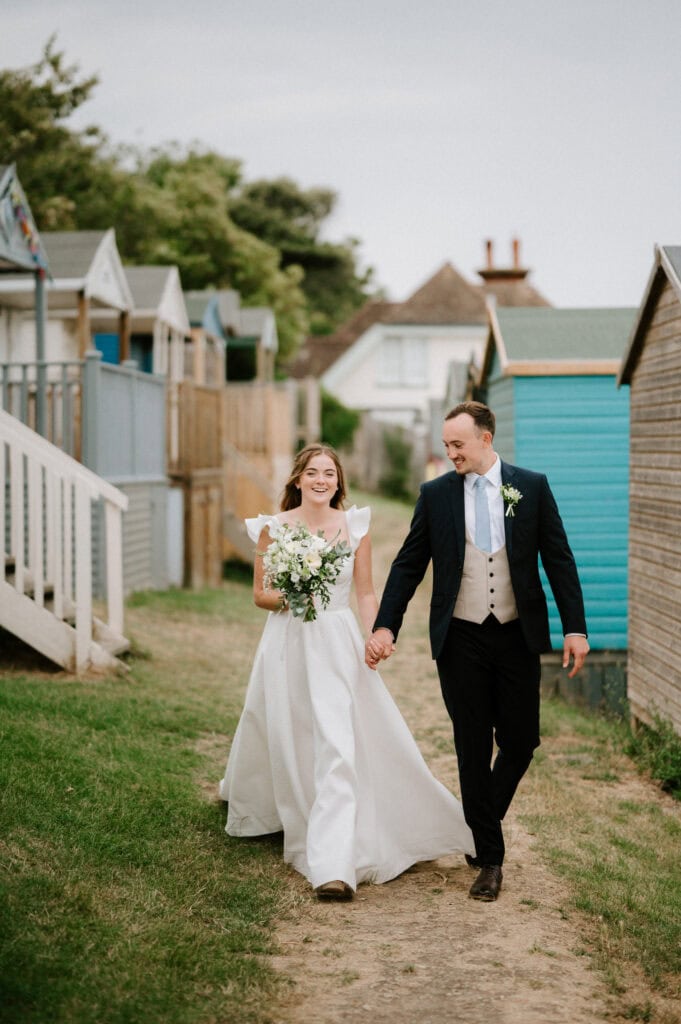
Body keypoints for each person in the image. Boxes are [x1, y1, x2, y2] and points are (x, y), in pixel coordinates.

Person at [220, 442, 475, 901]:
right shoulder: (272, 530)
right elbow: (260, 595)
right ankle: (287, 806)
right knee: (290, 735)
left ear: (338, 483)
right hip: (287, 644)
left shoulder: (354, 528)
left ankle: (333, 866)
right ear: (298, 479)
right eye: (313, 472)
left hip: (336, 645)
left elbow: (364, 592)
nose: (322, 480)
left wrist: (377, 633)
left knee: (338, 744)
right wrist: (297, 593)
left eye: (330, 474)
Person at [366, 402, 589, 902]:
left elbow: (559, 559)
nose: (451, 454)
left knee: (522, 740)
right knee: (471, 744)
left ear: (485, 439)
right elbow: (407, 567)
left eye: (458, 445)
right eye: (446, 446)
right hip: (460, 636)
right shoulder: (435, 495)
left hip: (516, 634)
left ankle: (479, 818)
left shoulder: (531, 487)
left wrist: (575, 627)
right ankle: (489, 858)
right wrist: (387, 624)